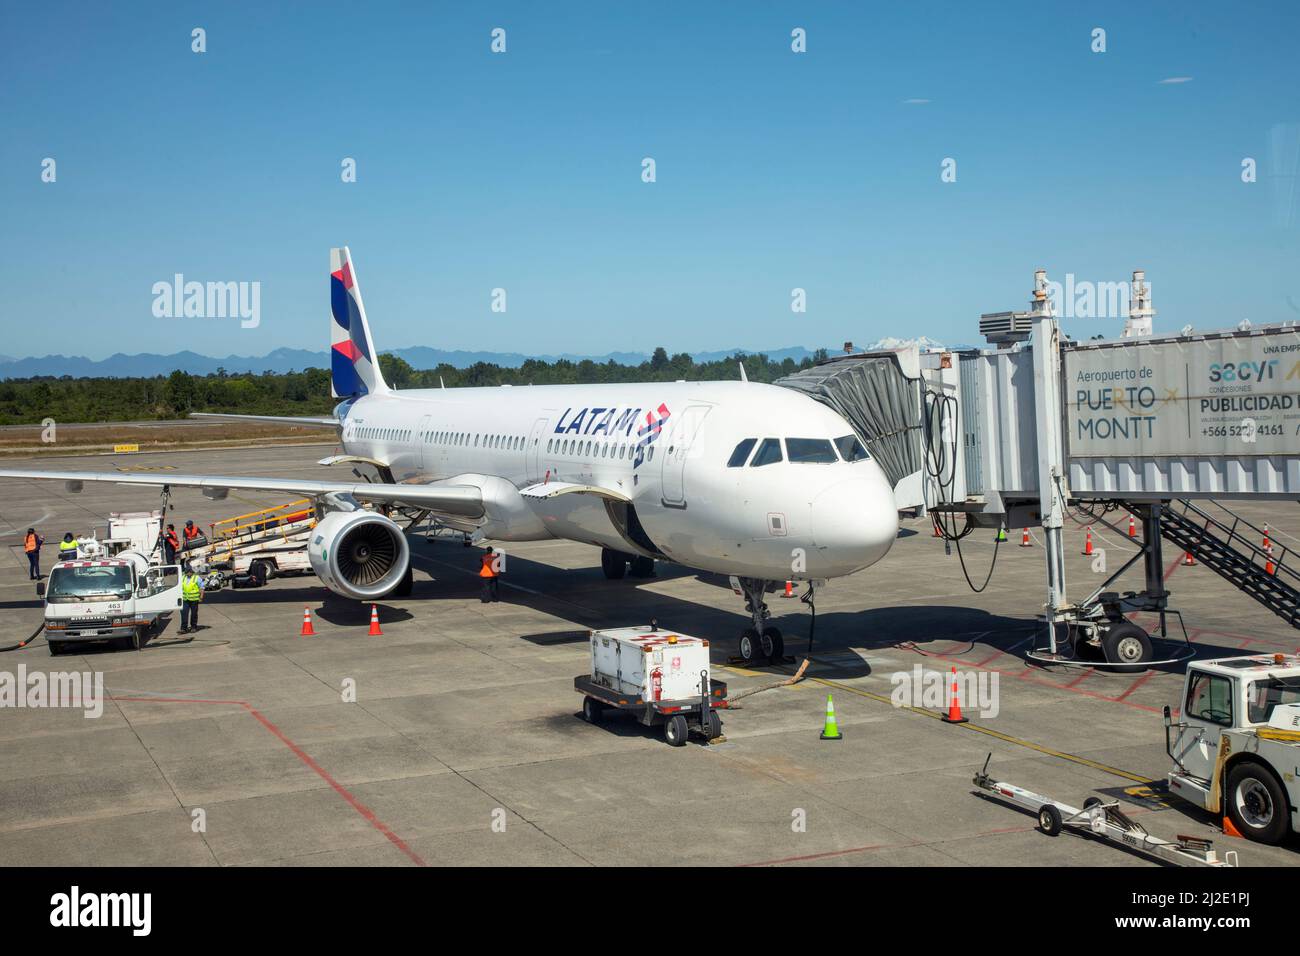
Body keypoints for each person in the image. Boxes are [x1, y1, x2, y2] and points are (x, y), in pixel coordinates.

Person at [179, 563, 204, 634]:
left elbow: (201, 588)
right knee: (184, 613)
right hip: (185, 599)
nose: (188, 573)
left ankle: (193, 627)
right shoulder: (182, 577)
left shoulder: (197, 578)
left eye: (190, 572)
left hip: (194, 600)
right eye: (187, 572)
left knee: (194, 614)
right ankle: (183, 628)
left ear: (192, 572)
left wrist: (201, 597)